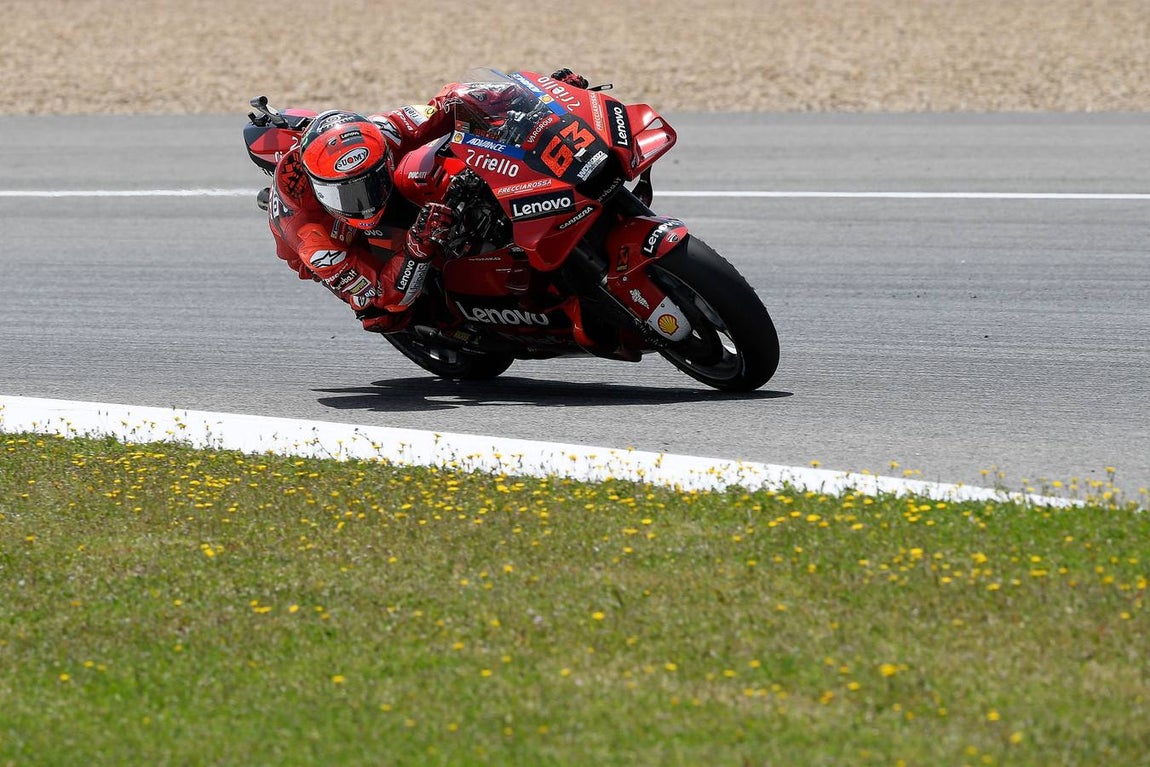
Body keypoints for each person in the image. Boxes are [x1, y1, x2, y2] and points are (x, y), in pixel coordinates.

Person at [267, 69, 589, 334]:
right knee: (382, 313)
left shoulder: (383, 133)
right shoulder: (312, 239)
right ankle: (448, 323)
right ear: (323, 192)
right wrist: (416, 246)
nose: (367, 201)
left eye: (373, 181)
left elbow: (445, 105)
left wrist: (533, 97)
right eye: (349, 195)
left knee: (439, 166)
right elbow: (383, 292)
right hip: (338, 237)